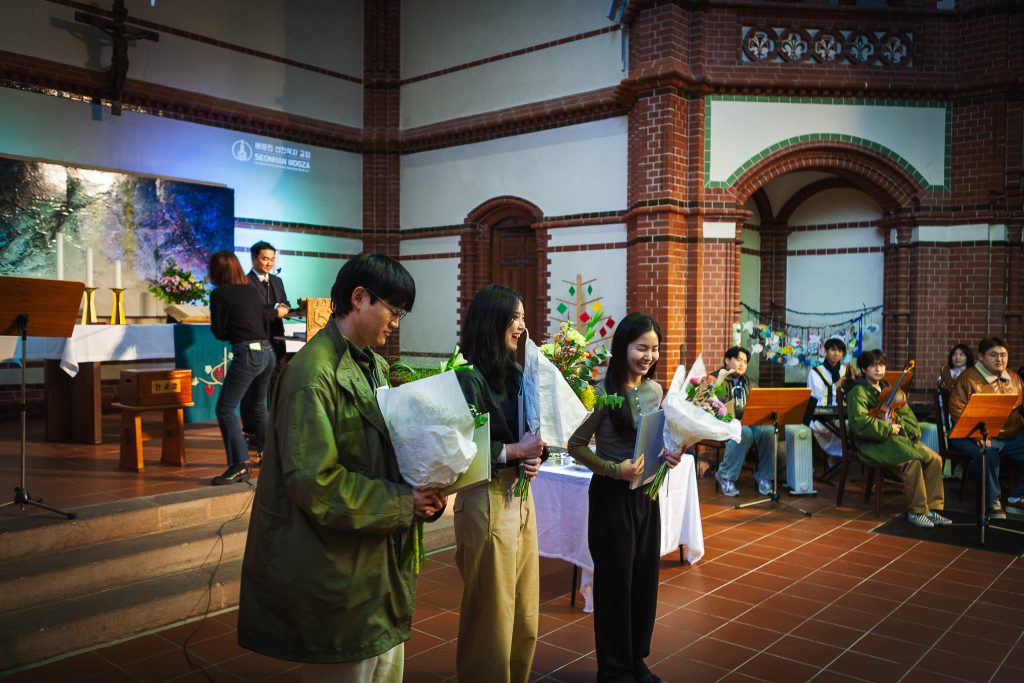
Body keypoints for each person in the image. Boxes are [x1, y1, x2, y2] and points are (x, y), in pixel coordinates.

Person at [237, 253, 445, 682]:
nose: (396, 322)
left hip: (374, 565)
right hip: (336, 568)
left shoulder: (373, 364)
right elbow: (316, 484)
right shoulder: (311, 375)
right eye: (393, 310)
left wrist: (430, 479)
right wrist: (404, 502)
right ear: (359, 298)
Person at [568, 312, 682, 683]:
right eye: (641, 348)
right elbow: (575, 445)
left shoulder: (655, 390)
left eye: (654, 349)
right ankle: (614, 670)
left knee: (644, 581)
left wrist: (669, 454)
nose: (649, 356)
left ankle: (636, 660)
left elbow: (654, 438)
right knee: (615, 585)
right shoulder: (602, 392)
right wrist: (615, 470)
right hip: (612, 497)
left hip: (646, 494)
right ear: (623, 348)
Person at [453, 284, 545, 683]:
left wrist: (534, 456)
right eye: (515, 317)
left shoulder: (517, 373)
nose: (522, 326)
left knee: (524, 607)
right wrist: (514, 451)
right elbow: (458, 448)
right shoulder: (465, 377)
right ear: (493, 321)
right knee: (492, 611)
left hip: (520, 496)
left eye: (523, 317)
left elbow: (529, 433)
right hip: (485, 496)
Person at [847, 349, 950, 528]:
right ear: (863, 369)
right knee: (912, 461)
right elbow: (859, 422)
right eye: (873, 366)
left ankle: (933, 509)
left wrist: (909, 431)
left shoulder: (890, 389)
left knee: (935, 459)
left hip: (898, 438)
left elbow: (907, 415)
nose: (878, 369)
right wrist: (887, 428)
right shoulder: (858, 392)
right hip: (873, 442)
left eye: (881, 365)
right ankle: (917, 512)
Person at [208, 250, 277, 486]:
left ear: (216, 271)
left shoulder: (219, 294)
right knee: (258, 407)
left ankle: (238, 465)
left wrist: (231, 329)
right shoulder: (250, 289)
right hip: (267, 352)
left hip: (248, 353)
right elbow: (261, 318)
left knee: (225, 409)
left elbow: (219, 332)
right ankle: (271, 458)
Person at [948, 336, 1024, 518]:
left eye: (1003, 355)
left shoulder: (1014, 378)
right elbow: (957, 411)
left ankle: (1017, 498)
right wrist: (977, 436)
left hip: (1008, 437)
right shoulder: (968, 378)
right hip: (969, 435)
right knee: (986, 452)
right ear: (981, 357)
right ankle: (992, 502)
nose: (1000, 359)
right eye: (994, 355)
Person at [715, 346, 775, 497]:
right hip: (724, 423)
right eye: (738, 360)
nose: (742, 364)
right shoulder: (718, 379)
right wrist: (737, 419)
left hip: (748, 421)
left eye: (745, 361)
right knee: (743, 432)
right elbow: (718, 405)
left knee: (768, 431)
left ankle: (764, 477)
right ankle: (725, 476)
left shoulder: (750, 382)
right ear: (727, 360)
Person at [807, 338, 848, 468]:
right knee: (825, 427)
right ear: (826, 351)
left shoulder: (845, 370)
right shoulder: (815, 371)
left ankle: (843, 457)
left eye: (840, 351)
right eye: (833, 350)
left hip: (843, 412)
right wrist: (837, 386)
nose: (836, 353)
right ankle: (834, 456)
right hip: (821, 412)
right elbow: (817, 394)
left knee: (848, 425)